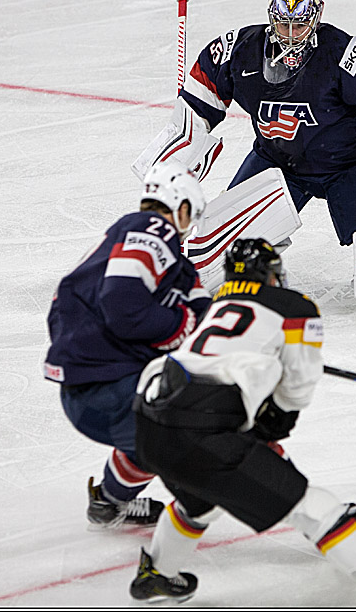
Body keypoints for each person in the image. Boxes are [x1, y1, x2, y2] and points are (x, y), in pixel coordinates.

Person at [127, 238, 356, 607]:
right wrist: (272, 426)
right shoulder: (294, 308)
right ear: (270, 276)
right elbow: (296, 391)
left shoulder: (218, 305)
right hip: (201, 430)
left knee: (201, 502)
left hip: (150, 423)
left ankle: (156, 577)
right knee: (313, 507)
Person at [144, 0, 356, 249]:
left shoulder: (341, 53)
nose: (291, 34)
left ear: (315, 20)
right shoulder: (240, 49)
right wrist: (183, 143)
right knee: (229, 243)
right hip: (277, 162)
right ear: (272, 19)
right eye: (283, 24)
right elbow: (202, 89)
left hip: (348, 165)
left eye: (300, 25)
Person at [42, 161, 211, 528]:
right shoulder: (151, 229)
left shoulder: (143, 249)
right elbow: (124, 308)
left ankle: (109, 502)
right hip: (107, 386)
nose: (186, 232)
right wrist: (182, 327)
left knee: (154, 438)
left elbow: (201, 312)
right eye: (190, 218)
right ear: (180, 207)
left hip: (88, 391)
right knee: (192, 432)